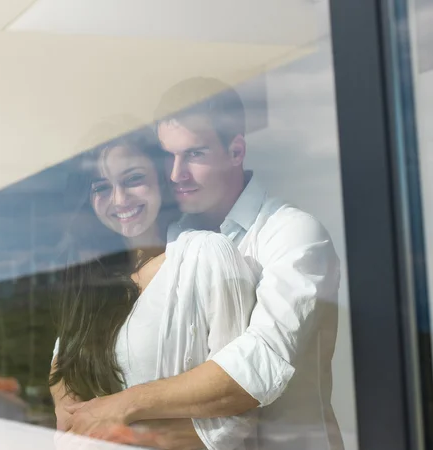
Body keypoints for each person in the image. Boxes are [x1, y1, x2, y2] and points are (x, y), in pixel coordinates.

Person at [59, 79, 344, 450]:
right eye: (168, 157)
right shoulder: (169, 242)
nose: (176, 173)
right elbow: (78, 342)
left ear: (236, 150)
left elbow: (257, 364)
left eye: (193, 154)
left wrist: (122, 408)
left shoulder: (293, 233)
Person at [50, 119, 259, 449]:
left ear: (162, 181)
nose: (119, 199)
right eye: (101, 187)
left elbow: (236, 412)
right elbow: (64, 360)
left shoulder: (206, 254)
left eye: (133, 180)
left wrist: (123, 430)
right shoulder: (94, 274)